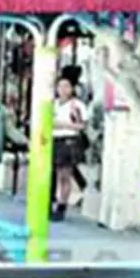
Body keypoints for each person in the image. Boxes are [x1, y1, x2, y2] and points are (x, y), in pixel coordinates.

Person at [52, 76, 90, 219]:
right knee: (53, 174)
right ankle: (52, 201)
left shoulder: (77, 105)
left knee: (64, 174)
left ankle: (62, 205)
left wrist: (64, 125)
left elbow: (82, 125)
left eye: (66, 86)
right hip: (54, 139)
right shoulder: (53, 104)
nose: (63, 89)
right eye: (60, 86)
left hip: (68, 140)